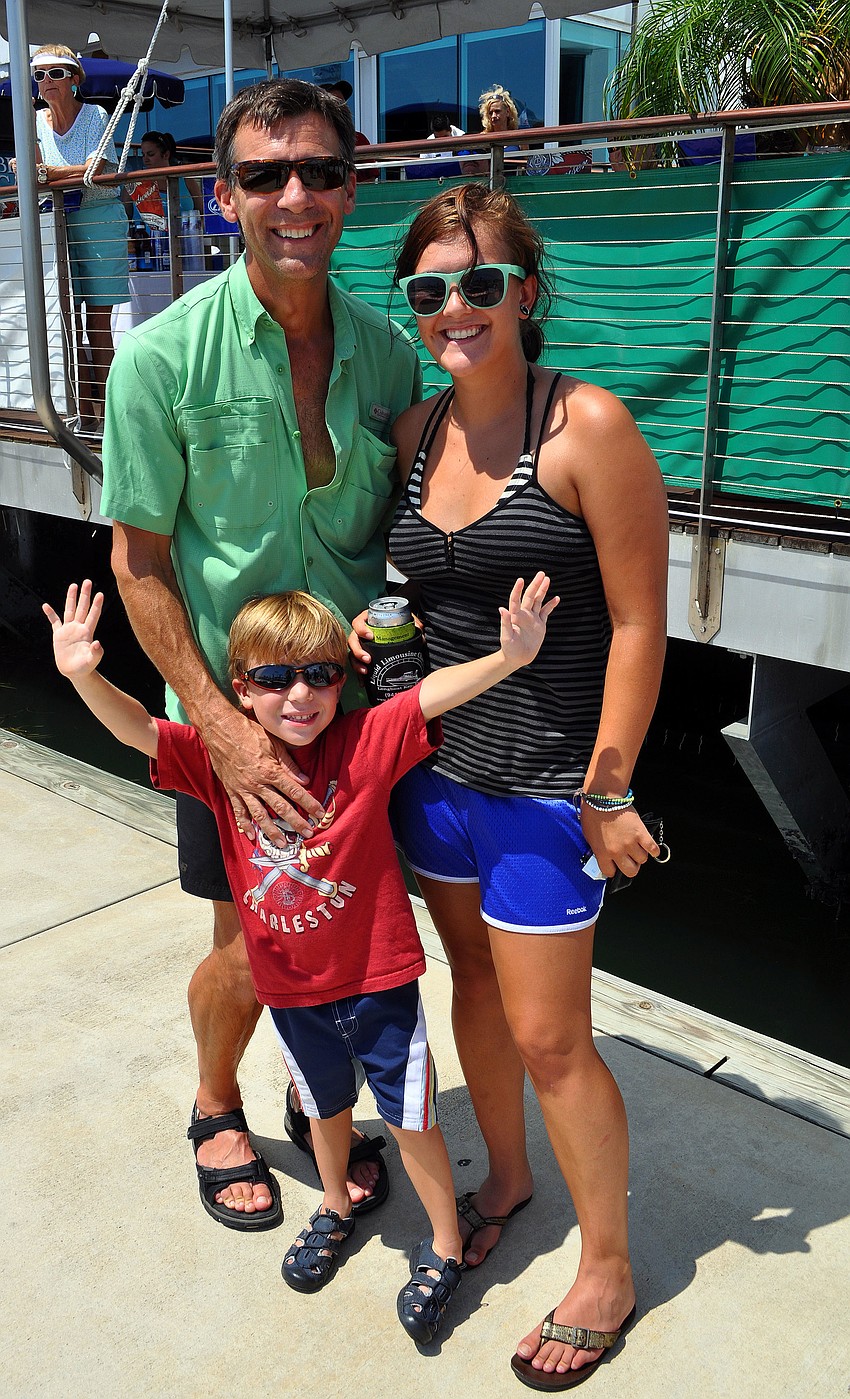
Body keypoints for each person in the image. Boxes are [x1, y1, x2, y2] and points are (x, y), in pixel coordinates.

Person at [44, 571, 558, 1339]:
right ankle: (334, 1202)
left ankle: (445, 1245)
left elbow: (428, 697)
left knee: (410, 1112)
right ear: (239, 689)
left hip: (379, 980)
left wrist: (509, 658)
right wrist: (85, 674)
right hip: (289, 989)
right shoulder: (219, 763)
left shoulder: (364, 740)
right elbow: (138, 731)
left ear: (343, 680)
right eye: (275, 678)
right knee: (322, 1107)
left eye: (320, 674)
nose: (300, 695)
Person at [351, 183, 669, 1387]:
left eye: (480, 284)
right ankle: (511, 1172)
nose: (454, 308)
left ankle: (608, 1263)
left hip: (546, 788)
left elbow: (640, 622)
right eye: (430, 290)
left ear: (525, 295)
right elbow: (416, 605)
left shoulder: (583, 426)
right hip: (440, 779)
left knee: (552, 1035)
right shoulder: (416, 434)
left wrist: (607, 785)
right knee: (471, 984)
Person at [100, 78, 422, 1231]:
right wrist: (221, 725)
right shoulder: (160, 360)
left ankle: (317, 1086)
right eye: (264, 175)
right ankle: (212, 1095)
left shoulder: (391, 357)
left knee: (341, 923)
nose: (296, 195)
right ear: (225, 197)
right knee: (245, 937)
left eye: (321, 171)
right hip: (234, 702)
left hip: (350, 708)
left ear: (352, 186)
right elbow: (140, 564)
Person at [23, 45, 129, 427]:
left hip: (99, 220)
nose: (46, 82)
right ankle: (83, 414)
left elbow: (95, 168)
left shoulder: (96, 114)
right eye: (40, 76)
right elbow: (42, 175)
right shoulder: (33, 122)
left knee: (97, 325)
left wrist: (48, 173)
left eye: (55, 73)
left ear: (73, 79)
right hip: (58, 226)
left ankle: (112, 416)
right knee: (65, 323)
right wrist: (57, 172)